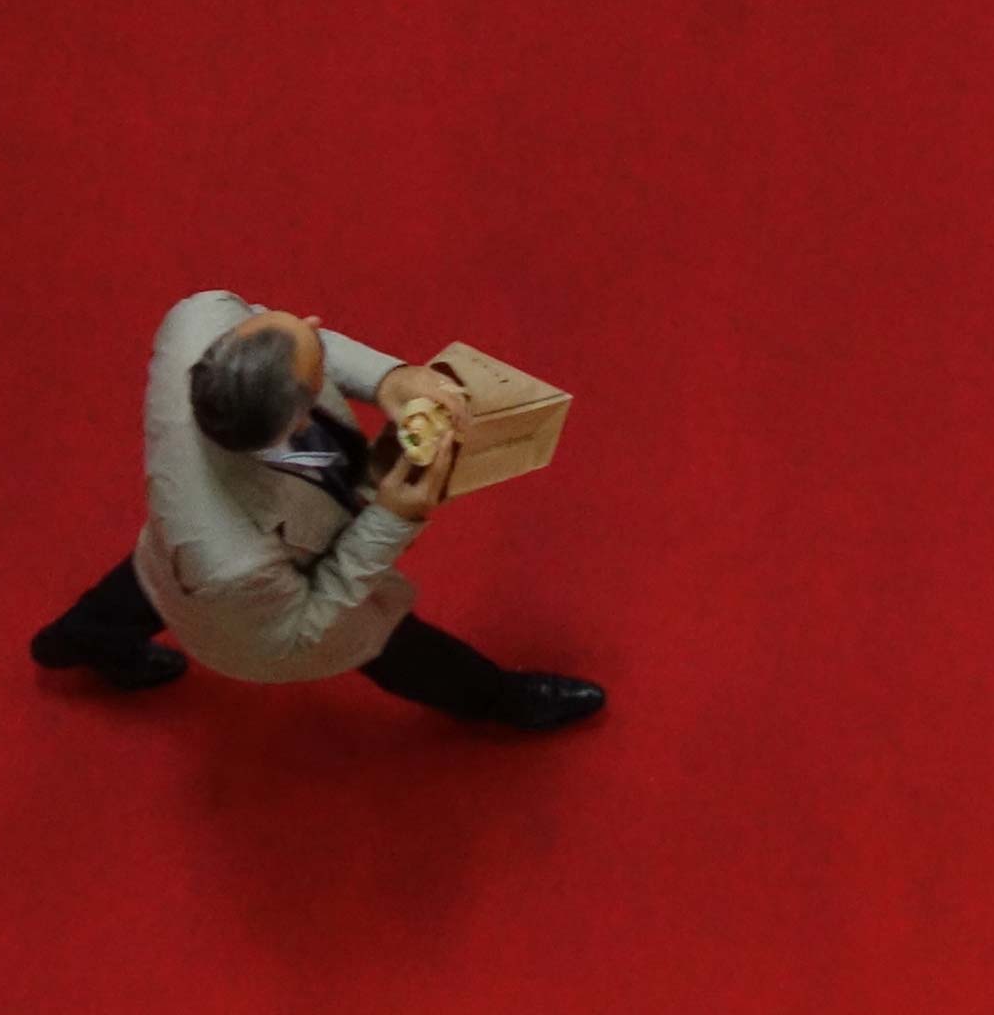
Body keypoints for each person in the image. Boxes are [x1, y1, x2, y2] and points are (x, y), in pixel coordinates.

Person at [30, 290, 606, 733]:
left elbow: (283, 333)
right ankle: (499, 699)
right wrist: (391, 519)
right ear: (297, 420)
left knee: (152, 576)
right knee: (387, 640)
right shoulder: (234, 562)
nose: (312, 322)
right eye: (316, 363)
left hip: (176, 546)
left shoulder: (200, 319)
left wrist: (388, 377)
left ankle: (78, 637)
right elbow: (306, 625)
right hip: (251, 598)